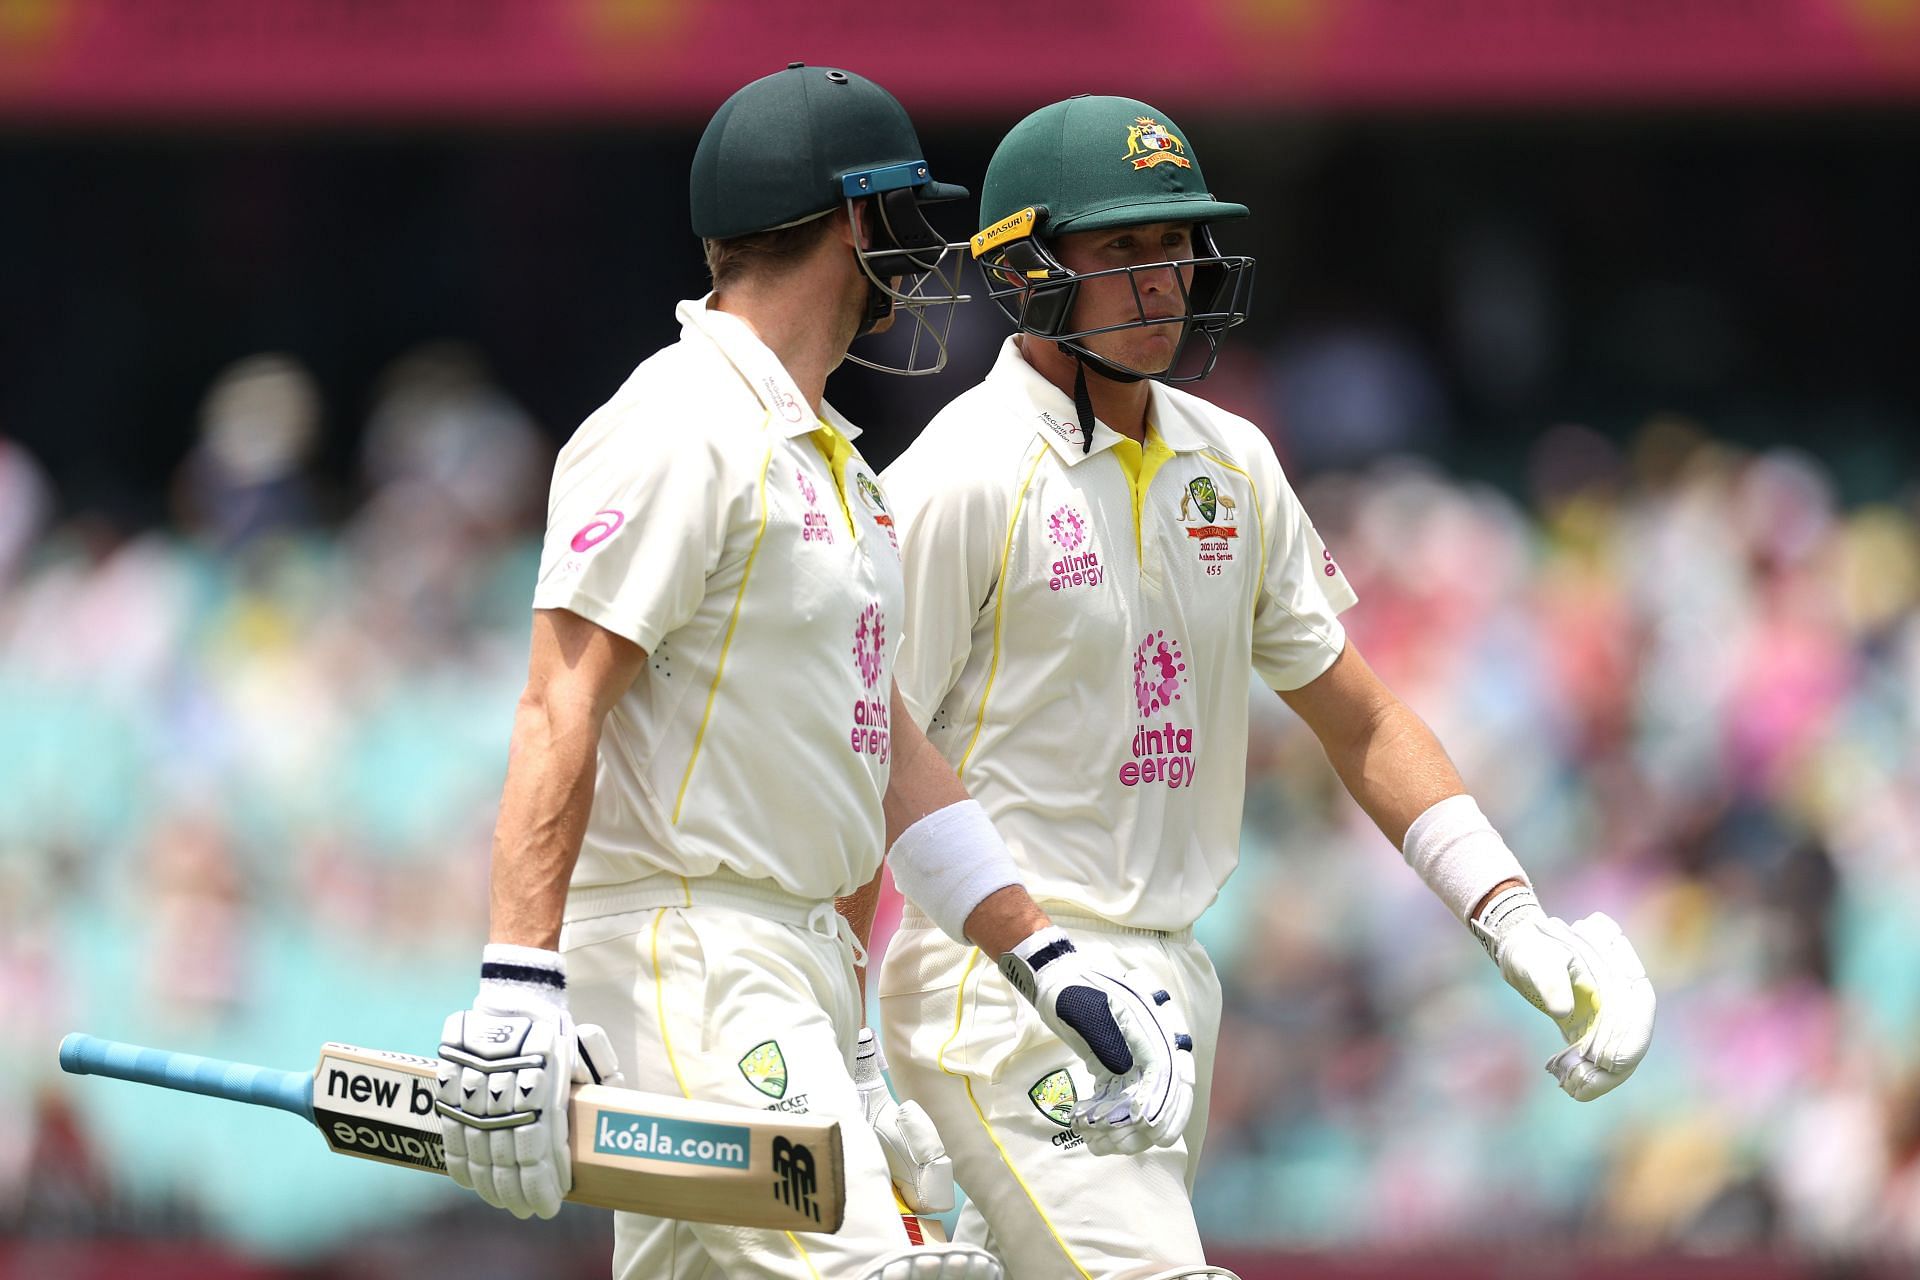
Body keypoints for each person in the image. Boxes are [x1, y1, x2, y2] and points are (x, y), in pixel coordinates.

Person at [877, 95, 1658, 1279]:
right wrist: (847, 1034)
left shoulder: (1231, 461)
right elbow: (867, 745)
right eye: (1122, 249)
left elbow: (1363, 717)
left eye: (1175, 244)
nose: (1166, 279)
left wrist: (1510, 913)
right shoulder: (958, 477)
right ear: (1027, 267)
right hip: (1003, 984)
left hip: (1174, 984)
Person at [430, 68, 1194, 1280]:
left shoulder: (834, 462)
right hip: (692, 960)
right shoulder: (682, 421)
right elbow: (560, 695)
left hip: (790, 973)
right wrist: (521, 982)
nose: (920, 252)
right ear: (854, 220)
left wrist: (1042, 957)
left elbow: (877, 745)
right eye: (906, 216)